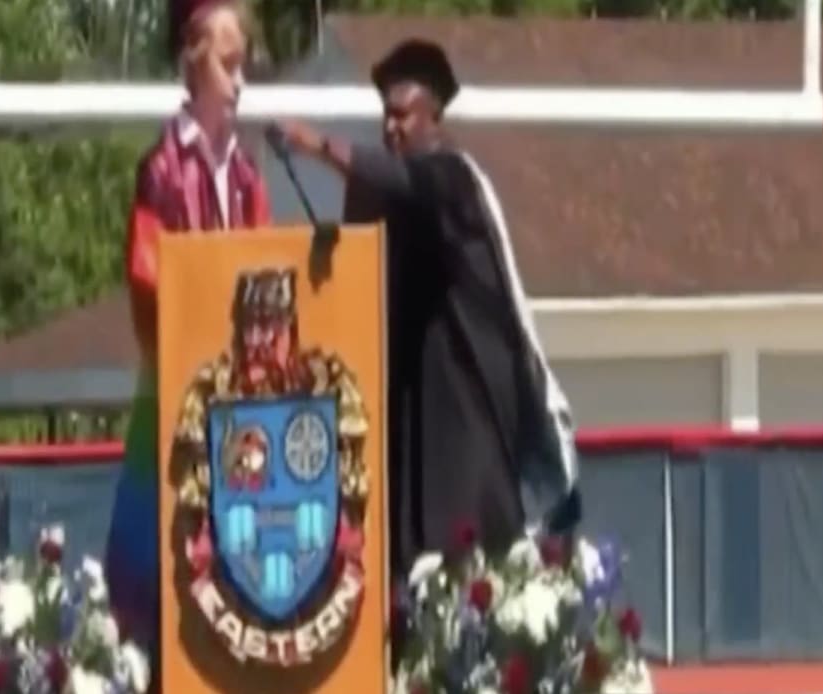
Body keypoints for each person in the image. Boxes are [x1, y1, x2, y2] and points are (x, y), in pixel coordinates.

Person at [271, 39, 581, 577]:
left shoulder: (453, 178)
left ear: (433, 116)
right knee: (413, 570)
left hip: (470, 419)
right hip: (415, 419)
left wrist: (315, 144)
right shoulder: (405, 195)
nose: (390, 129)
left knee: (466, 571)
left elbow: (404, 181)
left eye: (402, 116)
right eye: (384, 117)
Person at [103, 0, 271, 657]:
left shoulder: (249, 174)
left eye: (243, 66)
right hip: (177, 395)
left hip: (240, 405)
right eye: (229, 65)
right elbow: (147, 277)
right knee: (158, 556)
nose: (239, 81)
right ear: (195, 64)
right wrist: (185, 352)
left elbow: (266, 272)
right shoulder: (163, 169)